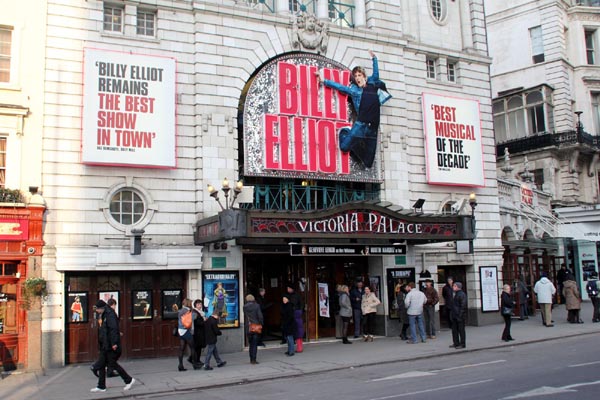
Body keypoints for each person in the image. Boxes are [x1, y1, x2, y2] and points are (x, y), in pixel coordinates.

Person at [315, 50, 391, 168]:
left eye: (359, 75)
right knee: (344, 147)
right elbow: (340, 87)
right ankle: (347, 131)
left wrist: (374, 58)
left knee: (368, 163)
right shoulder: (355, 91)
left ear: (364, 77)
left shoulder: (372, 83)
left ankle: (358, 141)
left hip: (373, 128)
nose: (357, 78)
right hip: (361, 125)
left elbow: (376, 73)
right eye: (355, 77)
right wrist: (324, 81)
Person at [90, 300, 135, 393]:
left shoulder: (110, 314)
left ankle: (129, 380)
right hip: (105, 343)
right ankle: (101, 386)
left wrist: (114, 343)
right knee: (103, 364)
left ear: (101, 308)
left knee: (112, 363)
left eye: (97, 309)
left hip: (110, 344)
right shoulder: (104, 314)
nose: (96, 311)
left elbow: (113, 329)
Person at [177, 299, 201, 371]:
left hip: (180, 330)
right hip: (186, 331)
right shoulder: (189, 311)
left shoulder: (180, 311)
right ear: (189, 304)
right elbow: (195, 317)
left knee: (181, 348)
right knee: (193, 347)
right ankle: (195, 364)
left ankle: (180, 365)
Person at [243, 294, 263, 364]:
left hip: (248, 327)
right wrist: (261, 323)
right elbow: (260, 316)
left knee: (250, 344)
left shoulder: (244, 307)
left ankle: (251, 358)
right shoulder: (257, 306)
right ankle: (253, 359)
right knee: (254, 344)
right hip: (255, 326)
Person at [286, 282, 304, 352]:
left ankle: (298, 348)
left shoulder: (294, 296)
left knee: (296, 332)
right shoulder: (297, 295)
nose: (287, 289)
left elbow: (293, 304)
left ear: (291, 289)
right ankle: (299, 347)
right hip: (298, 314)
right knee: (298, 331)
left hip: (295, 314)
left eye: (288, 288)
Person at [449, 282, 467, 349]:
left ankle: (462, 344)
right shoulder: (455, 294)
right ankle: (456, 343)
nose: (453, 287)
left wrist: (460, 315)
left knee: (461, 330)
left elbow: (463, 306)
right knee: (454, 330)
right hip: (454, 315)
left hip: (459, 316)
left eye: (454, 286)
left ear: (458, 287)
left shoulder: (461, 294)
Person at [191, 299, 206, 367]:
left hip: (200, 332)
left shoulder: (201, 312)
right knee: (197, 347)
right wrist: (204, 321)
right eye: (198, 304)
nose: (200, 305)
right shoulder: (195, 312)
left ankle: (197, 360)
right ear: (195, 305)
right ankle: (195, 361)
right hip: (197, 332)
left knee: (199, 347)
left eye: (200, 304)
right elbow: (196, 323)